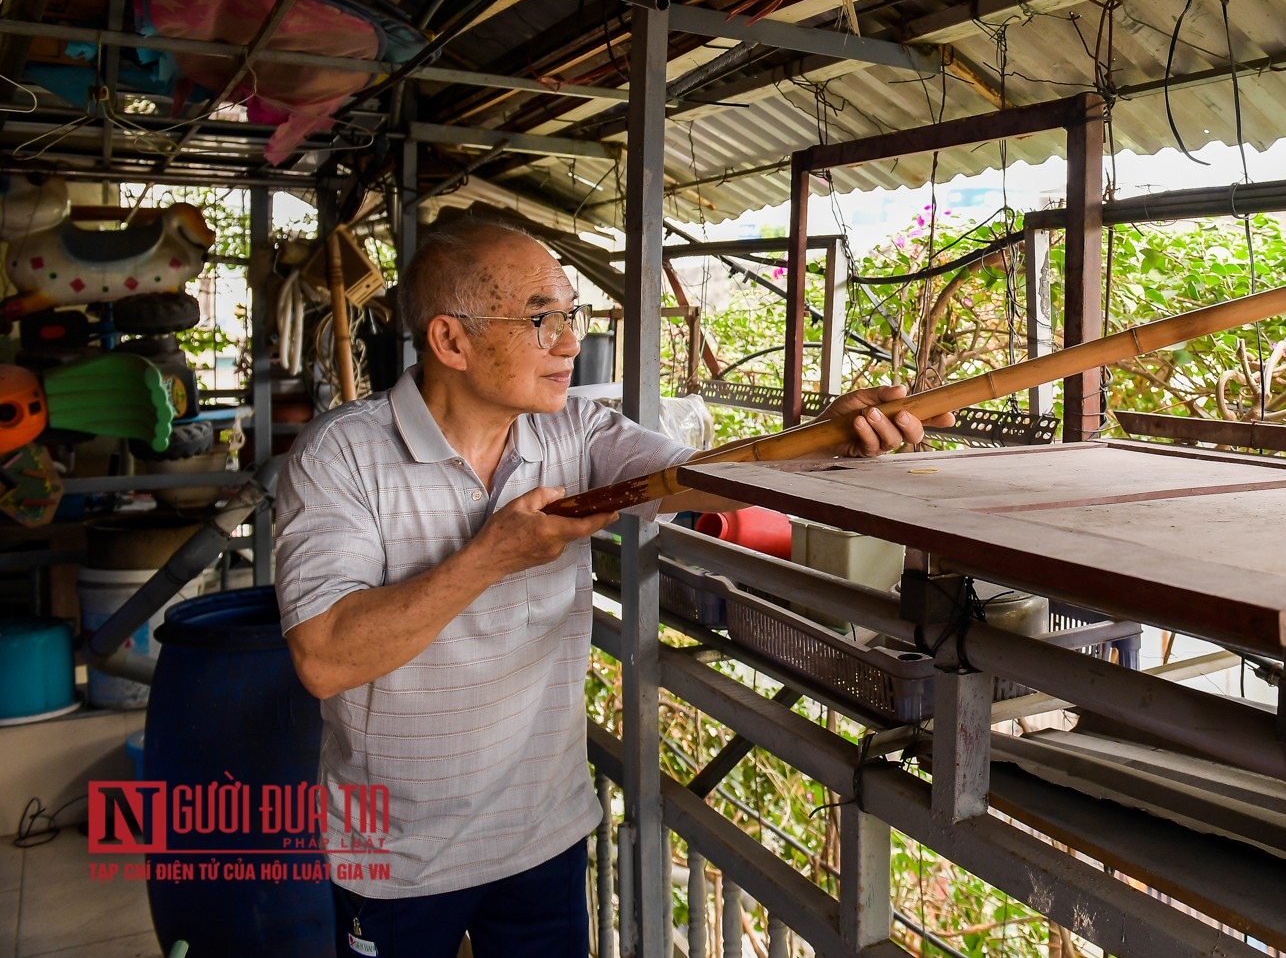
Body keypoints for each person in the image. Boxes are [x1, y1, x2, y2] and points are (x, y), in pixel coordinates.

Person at [274, 219, 943, 958]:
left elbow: (704, 475)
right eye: (542, 319)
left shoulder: (576, 435)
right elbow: (325, 657)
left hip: (541, 833)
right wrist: (490, 555)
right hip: (395, 855)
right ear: (450, 341)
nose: (569, 341)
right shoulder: (339, 458)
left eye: (572, 315)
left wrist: (821, 438)